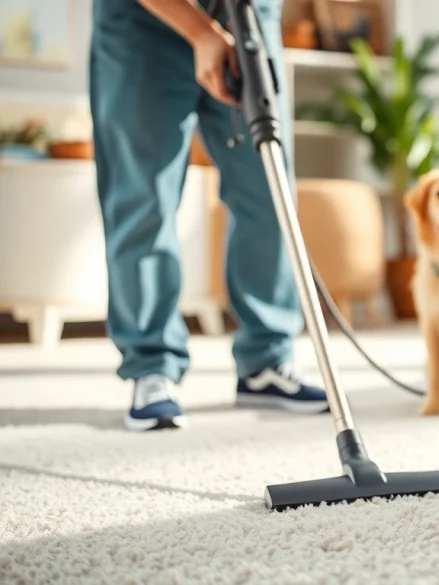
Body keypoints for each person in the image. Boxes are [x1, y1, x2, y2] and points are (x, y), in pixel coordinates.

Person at [90, 0, 328, 431]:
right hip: (143, 23)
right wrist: (201, 32)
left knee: (268, 188)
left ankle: (267, 362)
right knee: (142, 196)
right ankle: (152, 365)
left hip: (246, 15)